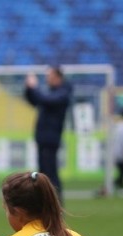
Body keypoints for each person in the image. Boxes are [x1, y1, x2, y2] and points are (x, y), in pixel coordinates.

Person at [24, 66, 72, 201]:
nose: (47, 79)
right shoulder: (52, 92)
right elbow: (35, 100)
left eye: (49, 76)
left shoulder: (63, 93)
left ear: (57, 77)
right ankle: (48, 203)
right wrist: (29, 89)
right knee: (44, 172)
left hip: (51, 138)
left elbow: (44, 99)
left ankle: (56, 203)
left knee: (50, 173)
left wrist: (33, 87)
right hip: (44, 138)